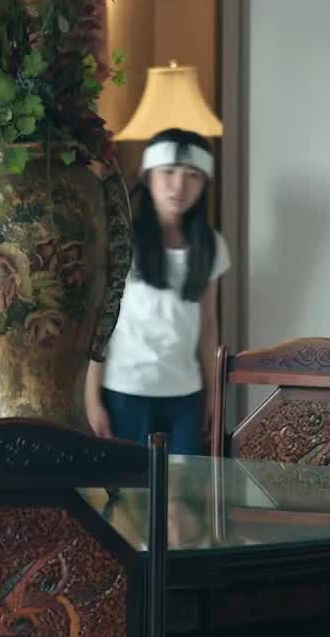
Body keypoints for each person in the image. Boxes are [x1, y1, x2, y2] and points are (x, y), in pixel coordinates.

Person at [86, 127, 230, 452]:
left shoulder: (211, 246)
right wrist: (91, 399)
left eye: (192, 175)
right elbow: (99, 323)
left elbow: (208, 327)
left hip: (185, 394)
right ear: (146, 175)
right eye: (168, 172)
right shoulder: (123, 239)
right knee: (127, 482)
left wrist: (214, 396)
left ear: (204, 184)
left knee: (183, 481)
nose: (179, 185)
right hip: (125, 390)